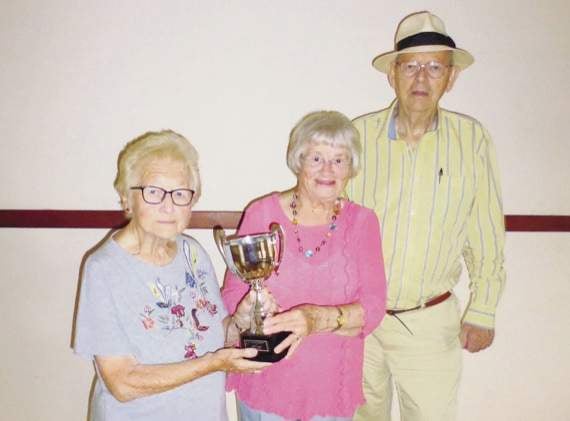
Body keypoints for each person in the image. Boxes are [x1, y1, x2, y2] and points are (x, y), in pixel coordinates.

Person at [347, 11, 506, 421]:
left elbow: (485, 231)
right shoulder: (357, 137)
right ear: (392, 74)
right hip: (358, 322)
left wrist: (483, 308)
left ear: (451, 78)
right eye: (411, 66)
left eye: (435, 67)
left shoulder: (472, 141)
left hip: (430, 323)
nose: (422, 78)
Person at [73, 130, 271, 421]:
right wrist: (212, 364)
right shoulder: (104, 268)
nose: (168, 206)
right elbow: (122, 383)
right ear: (128, 199)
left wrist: (241, 318)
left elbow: (217, 336)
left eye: (180, 194)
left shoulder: (193, 253)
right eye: (153, 192)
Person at [222, 110, 387, 421]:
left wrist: (315, 319)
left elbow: (374, 307)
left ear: (351, 168)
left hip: (330, 390)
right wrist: (248, 309)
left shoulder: (363, 223)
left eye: (339, 160)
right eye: (316, 158)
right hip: (265, 382)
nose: (328, 169)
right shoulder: (261, 213)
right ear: (298, 161)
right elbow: (232, 295)